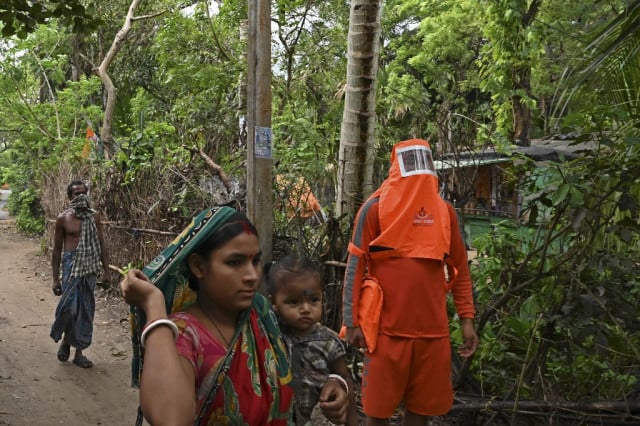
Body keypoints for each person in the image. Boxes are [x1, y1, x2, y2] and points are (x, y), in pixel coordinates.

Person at [119, 206, 348, 425]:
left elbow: (308, 346)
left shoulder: (263, 314)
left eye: (255, 261)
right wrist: (153, 303)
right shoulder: (183, 335)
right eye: (235, 262)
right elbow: (171, 419)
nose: (251, 275)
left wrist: (335, 382)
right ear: (199, 266)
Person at [342, 139, 480, 426]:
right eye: (410, 162)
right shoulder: (374, 209)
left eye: (424, 162)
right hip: (384, 335)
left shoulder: (445, 214)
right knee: (377, 412)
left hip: (433, 334)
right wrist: (351, 321)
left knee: (421, 410)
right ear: (396, 167)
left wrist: (467, 319)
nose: (418, 171)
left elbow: (460, 268)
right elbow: (355, 266)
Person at [265, 256, 359, 426]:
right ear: (273, 303)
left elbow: (346, 382)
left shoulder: (329, 343)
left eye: (313, 300)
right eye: (293, 302)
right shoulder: (269, 334)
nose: (305, 309)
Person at [50, 179, 109, 368]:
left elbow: (101, 244)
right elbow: (57, 250)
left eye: (84, 192)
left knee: (84, 309)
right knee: (69, 308)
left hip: (90, 267)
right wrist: (55, 279)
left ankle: (79, 353)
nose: (81, 196)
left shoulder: (94, 217)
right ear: (69, 197)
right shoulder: (63, 219)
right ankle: (66, 340)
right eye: (77, 193)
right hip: (71, 266)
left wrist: (107, 271)